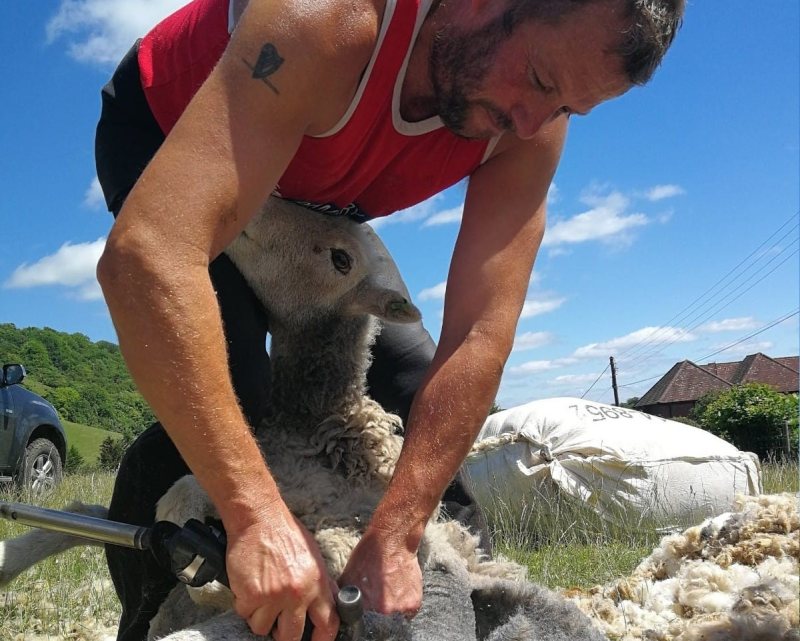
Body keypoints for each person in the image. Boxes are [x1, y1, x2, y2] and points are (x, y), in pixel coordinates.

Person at [94, 0, 684, 640]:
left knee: (413, 387)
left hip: (315, 195)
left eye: (567, 107)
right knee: (243, 392)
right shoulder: (325, 20)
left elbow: (479, 337)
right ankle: (149, 611)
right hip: (179, 129)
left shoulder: (529, 127)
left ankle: (461, 603)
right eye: (541, 79)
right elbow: (148, 257)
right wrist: (254, 514)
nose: (532, 122)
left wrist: (400, 532)